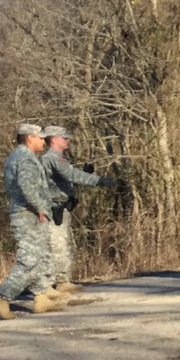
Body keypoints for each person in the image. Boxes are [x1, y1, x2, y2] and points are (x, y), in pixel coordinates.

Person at [0, 124, 67, 319]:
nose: (43, 141)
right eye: (40, 138)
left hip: (29, 211)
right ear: (30, 138)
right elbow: (27, 187)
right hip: (27, 213)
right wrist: (40, 207)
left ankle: (40, 298)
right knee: (29, 259)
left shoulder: (24, 156)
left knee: (38, 256)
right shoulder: (24, 158)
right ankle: (2, 298)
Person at [40, 125, 116, 293]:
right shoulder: (52, 158)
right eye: (64, 138)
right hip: (55, 208)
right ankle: (49, 285)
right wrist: (100, 181)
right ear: (54, 140)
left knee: (63, 243)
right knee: (56, 245)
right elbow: (72, 175)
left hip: (63, 207)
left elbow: (66, 179)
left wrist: (84, 173)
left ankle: (62, 280)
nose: (68, 140)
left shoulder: (59, 158)